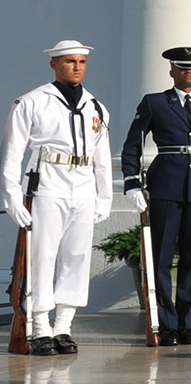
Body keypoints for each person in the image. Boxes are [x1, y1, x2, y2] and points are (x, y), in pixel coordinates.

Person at [2, 40, 114, 356]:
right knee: (42, 256)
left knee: (77, 257)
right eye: (69, 61)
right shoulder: (32, 102)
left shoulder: (96, 107)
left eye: (81, 62)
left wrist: (104, 197)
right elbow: (11, 153)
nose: (76, 66)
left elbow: (102, 157)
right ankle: (39, 328)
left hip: (83, 186)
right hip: (46, 183)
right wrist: (11, 196)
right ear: (54, 64)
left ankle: (63, 327)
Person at [120, 46, 191, 346]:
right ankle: (166, 323)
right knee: (161, 257)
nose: (188, 73)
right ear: (172, 72)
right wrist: (132, 183)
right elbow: (133, 144)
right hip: (165, 185)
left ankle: (186, 323)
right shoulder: (155, 103)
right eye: (182, 68)